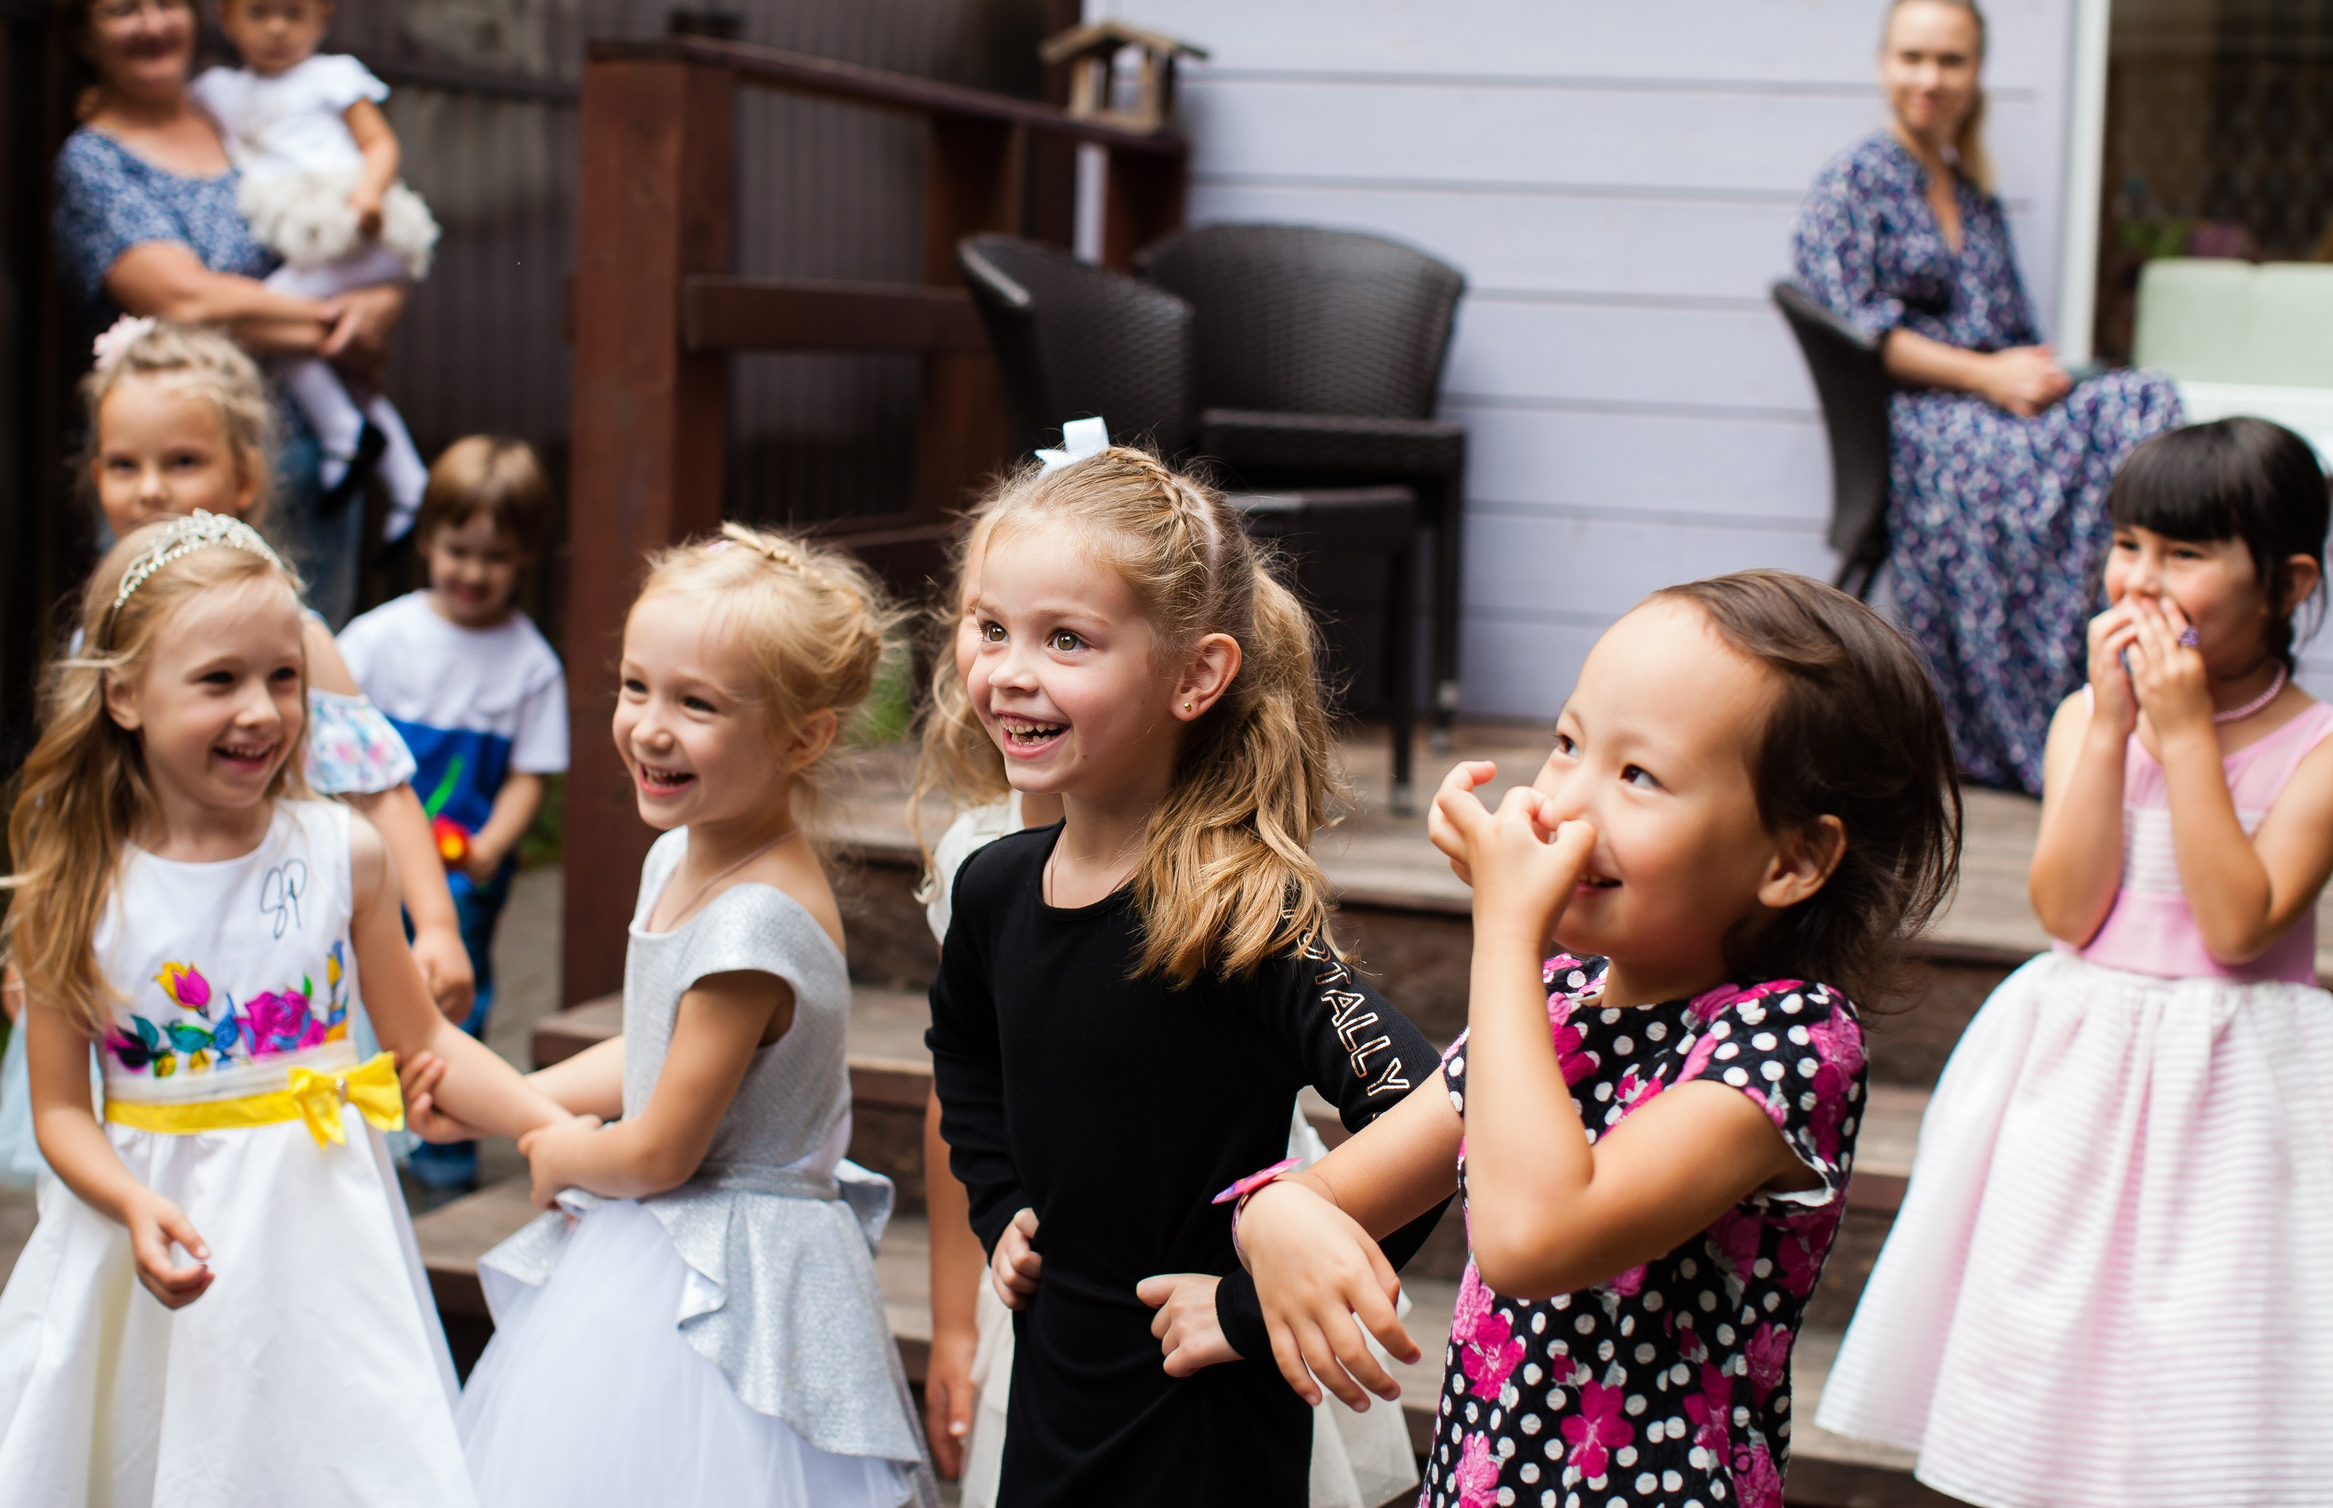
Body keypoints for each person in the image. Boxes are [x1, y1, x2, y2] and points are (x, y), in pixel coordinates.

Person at [1203, 571, 1961, 1508]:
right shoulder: (1555, 1003)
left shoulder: (1788, 1044)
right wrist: (1275, 1219)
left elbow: (1534, 1238)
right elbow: (1336, 1193)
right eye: (1568, 744)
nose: (1563, 801)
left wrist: (1506, 931)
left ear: (1793, 859)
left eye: (1638, 775)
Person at [0, 514, 570, 1507]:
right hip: (150, 1234)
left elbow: (426, 1040)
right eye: (219, 680)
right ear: (125, 695)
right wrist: (130, 1203)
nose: (261, 712)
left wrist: (548, 1125)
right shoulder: (76, 887)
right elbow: (59, 1111)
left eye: (283, 677)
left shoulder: (343, 852)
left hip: (320, 1233)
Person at [1818, 418, 2333, 1508]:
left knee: (2210, 1328)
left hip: (2237, 1081)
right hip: (2079, 1065)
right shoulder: (2083, 723)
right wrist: (2109, 733)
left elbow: (2238, 925)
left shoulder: (2318, 751)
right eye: (2128, 544)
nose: (2141, 579)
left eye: (2185, 554)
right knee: (2051, 1308)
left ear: (2288, 584)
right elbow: (2067, 910)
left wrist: (2182, 738)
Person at [924, 443, 1445, 1508]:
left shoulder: (1236, 914)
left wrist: (1251, 1306)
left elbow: (1435, 1108)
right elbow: (963, 1053)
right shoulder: (993, 887)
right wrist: (999, 1198)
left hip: (1199, 1414)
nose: (1009, 671)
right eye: (992, 627)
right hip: (1054, 1381)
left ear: (1196, 676)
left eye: (1066, 639)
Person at [400, 525, 934, 1507]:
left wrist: (555, 1148)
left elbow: (657, 1153)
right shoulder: (680, 854)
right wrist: (502, 1098)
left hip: (730, 1285)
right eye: (635, 686)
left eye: (697, 704)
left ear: (803, 737)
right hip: (669, 1246)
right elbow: (653, 1049)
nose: (649, 727)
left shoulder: (752, 925)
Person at [0, 320, 471, 1191]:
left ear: (246, 477)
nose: (150, 488)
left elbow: (379, 788)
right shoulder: (103, 639)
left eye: (182, 461)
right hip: (139, 970)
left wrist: (432, 922)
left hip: (262, 959)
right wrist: (32, 943)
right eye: (123, 464)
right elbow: (67, 795)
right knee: (123, 1151)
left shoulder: (291, 637)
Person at [1792, 0, 2183, 795]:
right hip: (1920, 425)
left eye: (1951, 60)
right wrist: (1985, 375)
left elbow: (2012, 332)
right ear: (1883, 64)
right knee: (2085, 443)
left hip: (1996, 405)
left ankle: (2115, 677)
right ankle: (2037, 719)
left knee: (2142, 400)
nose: (1930, 78)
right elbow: (1854, 326)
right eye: (1913, 57)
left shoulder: (1972, 194)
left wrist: (2039, 377)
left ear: (1976, 73)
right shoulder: (1854, 182)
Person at [49, 0, 408, 619]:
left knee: (306, 653)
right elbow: (188, 301)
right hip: (173, 475)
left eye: (166, 1)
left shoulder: (233, 117)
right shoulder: (94, 161)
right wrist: (338, 323)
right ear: (85, 35)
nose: (152, 24)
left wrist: (383, 300)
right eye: (125, 8)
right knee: (177, 655)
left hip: (309, 454)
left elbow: (339, 230)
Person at [338, 436, 566, 1192]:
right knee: (358, 984)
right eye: (458, 550)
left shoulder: (530, 664)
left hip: (464, 876)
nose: (472, 572)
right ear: (426, 538)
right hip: (370, 864)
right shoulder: (377, 639)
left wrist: (493, 843)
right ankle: (361, 1122)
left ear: (525, 556)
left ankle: (445, 1140)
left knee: (451, 994)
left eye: (494, 557)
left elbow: (530, 775)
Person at [193, 0, 439, 544]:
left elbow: (379, 142)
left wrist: (369, 194)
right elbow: (167, 113)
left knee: (274, 315)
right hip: (301, 231)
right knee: (332, 352)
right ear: (226, 16)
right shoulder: (219, 91)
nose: (277, 29)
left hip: (352, 227)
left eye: (293, 14)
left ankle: (342, 436)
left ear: (322, 16)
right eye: (260, 13)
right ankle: (409, 483)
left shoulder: (332, 76)